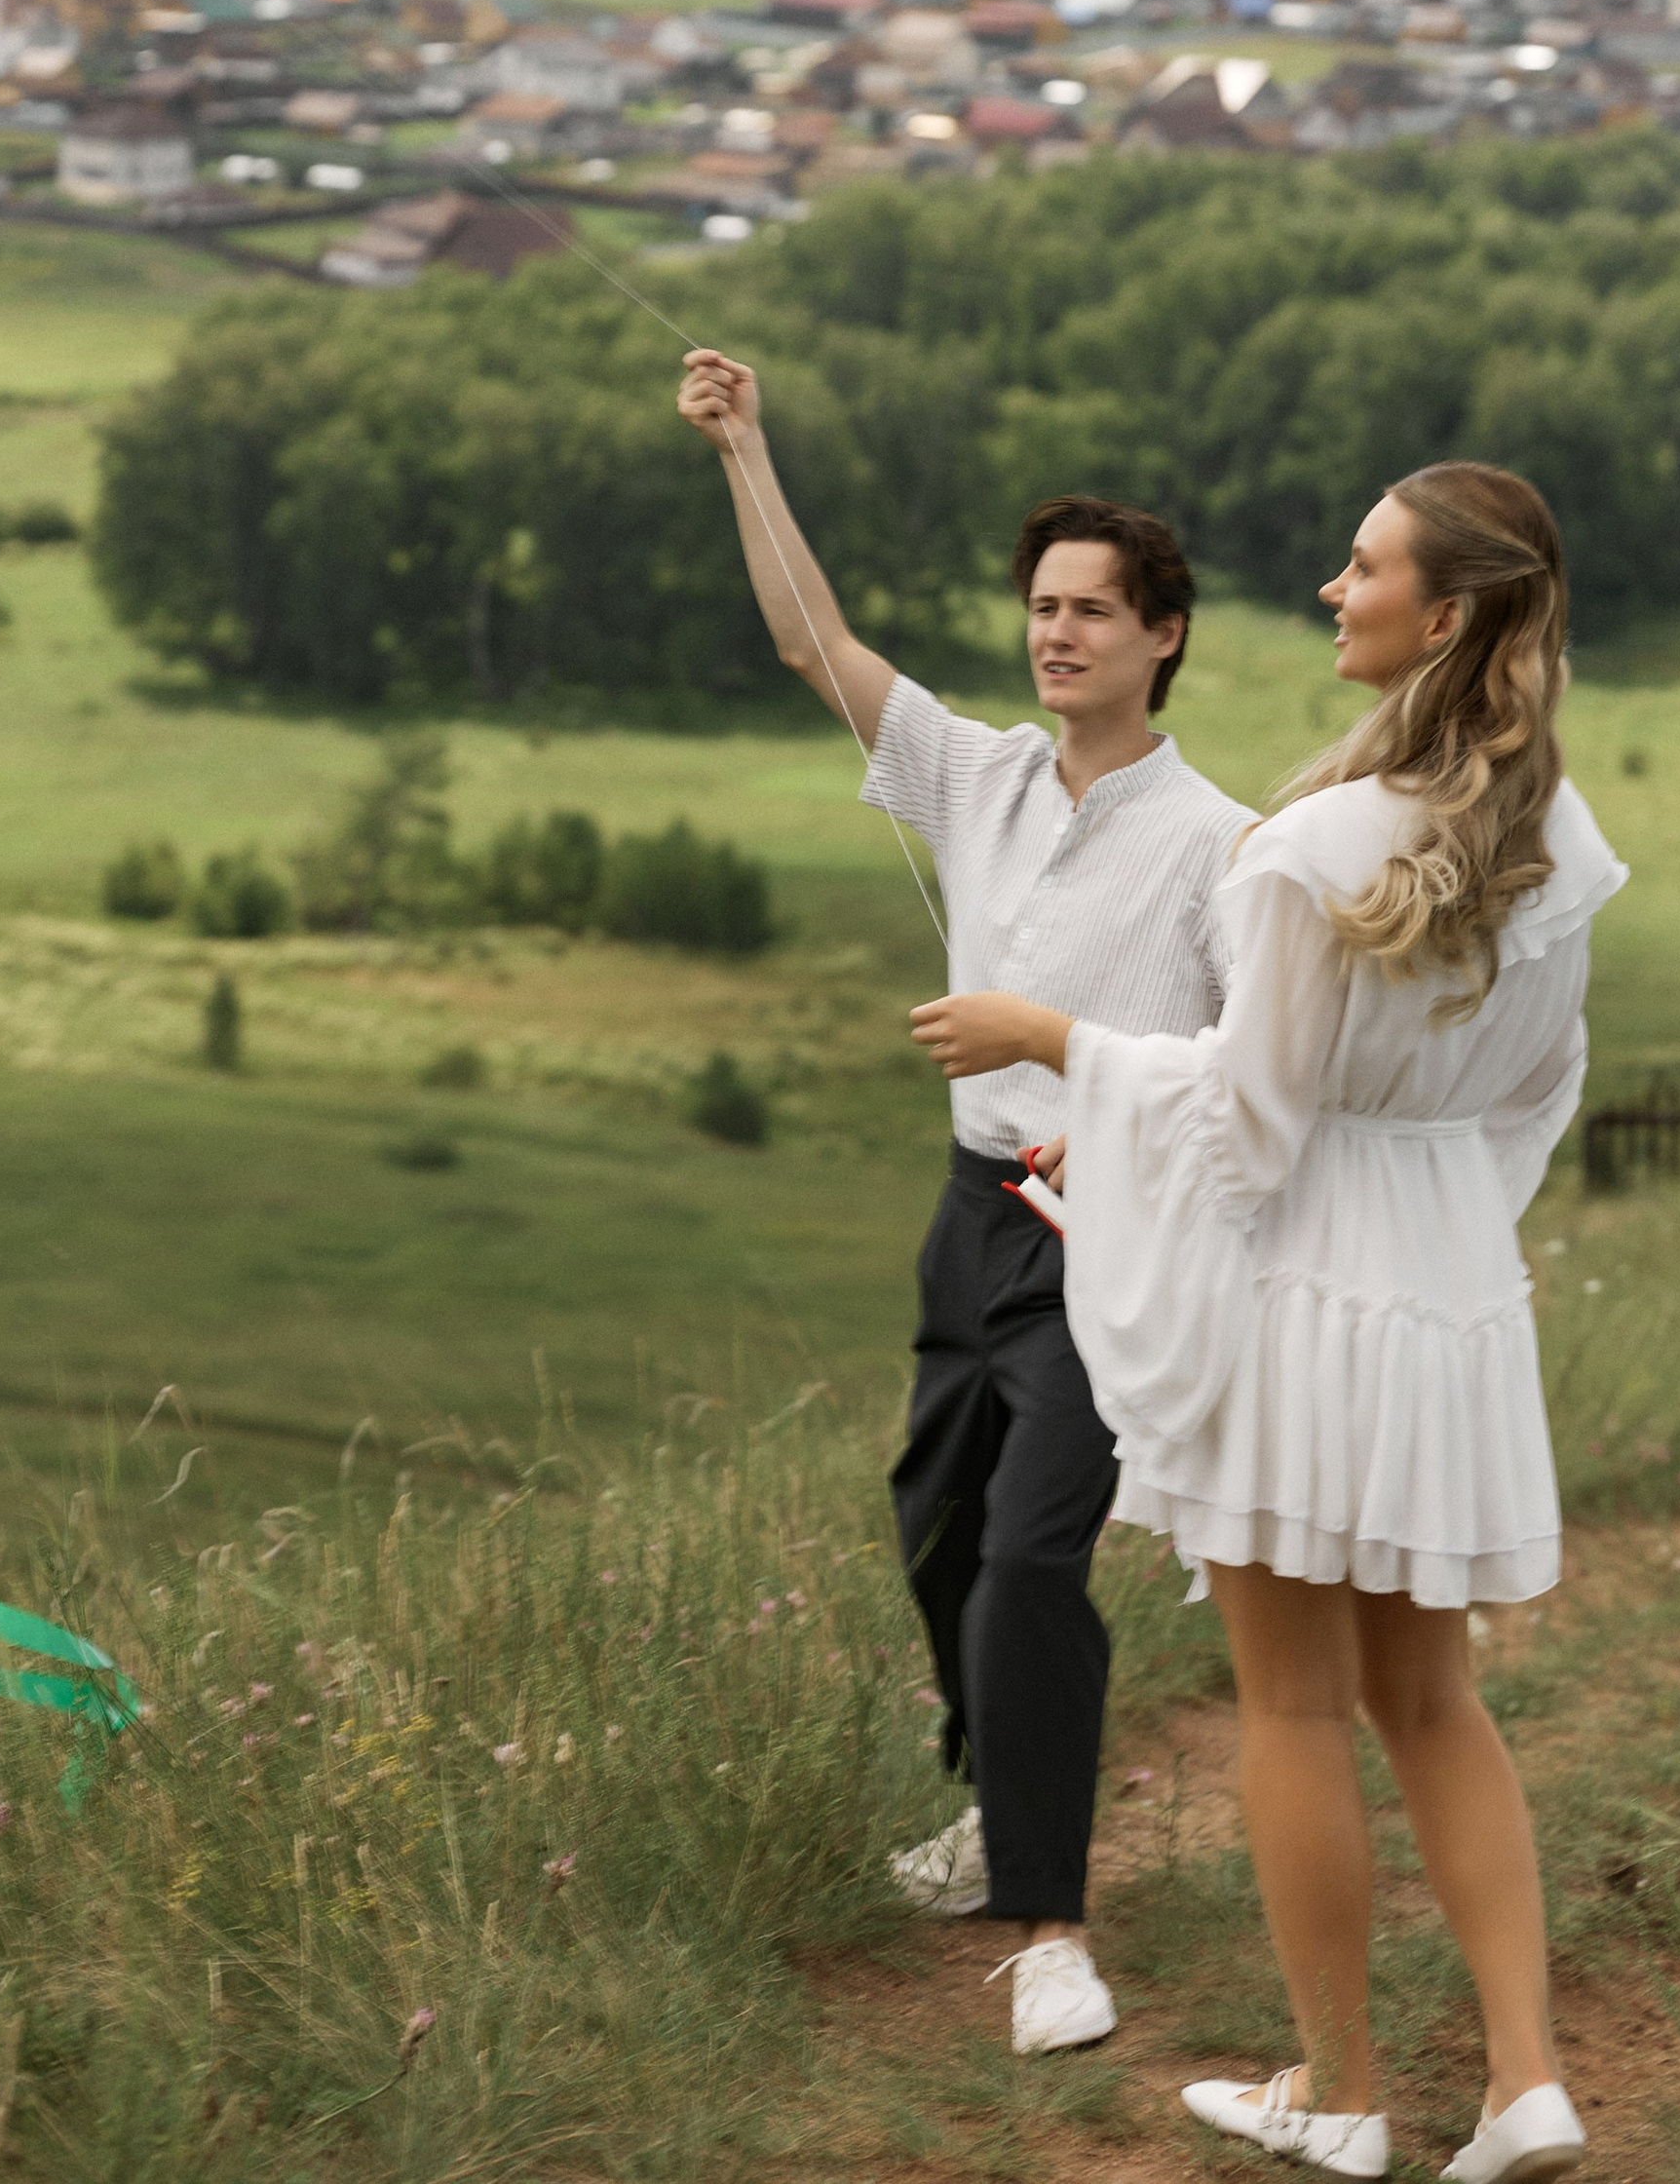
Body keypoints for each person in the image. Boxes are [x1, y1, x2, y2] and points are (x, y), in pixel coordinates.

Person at [909, 462, 1621, 2184]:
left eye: (1361, 567)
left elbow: (1252, 1128)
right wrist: (1431, 1221)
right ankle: (1528, 2083)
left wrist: (1060, 1042)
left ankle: (1342, 2091)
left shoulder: (1303, 848)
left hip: (1305, 1297)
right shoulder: (1559, 842)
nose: (1327, 587)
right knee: (1434, 1701)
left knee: (1292, 1706)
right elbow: (1536, 1095)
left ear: (1439, 618)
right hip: (1451, 1285)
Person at [675, 346, 1257, 2059]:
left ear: (1163, 636)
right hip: (972, 1212)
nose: (1056, 631)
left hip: (1120, 1239)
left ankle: (1052, 1933)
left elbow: (1246, 1066)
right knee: (933, 1521)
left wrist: (1120, 1132)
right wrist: (745, 448)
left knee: (1026, 1558)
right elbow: (812, 644)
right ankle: (1000, 1799)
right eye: (1041, 605)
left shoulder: (1218, 842)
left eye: (1093, 608)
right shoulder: (976, 775)